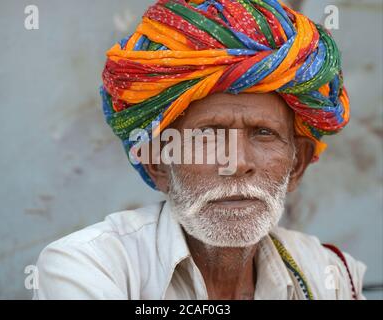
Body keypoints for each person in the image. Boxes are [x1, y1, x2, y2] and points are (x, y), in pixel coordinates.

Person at [33, 0, 366, 300]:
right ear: (157, 164)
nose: (237, 162)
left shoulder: (332, 276)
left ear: (297, 165)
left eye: (263, 133)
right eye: (208, 134)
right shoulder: (90, 267)